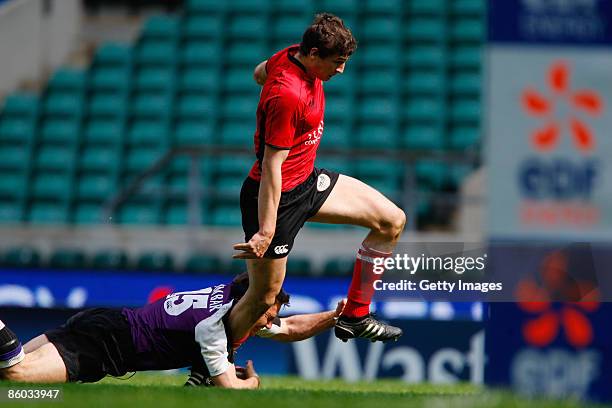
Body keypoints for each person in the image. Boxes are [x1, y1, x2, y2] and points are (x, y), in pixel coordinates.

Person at [231, 13, 406, 345]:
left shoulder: (289, 55)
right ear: (313, 55)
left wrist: (267, 81)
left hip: (307, 182)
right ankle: (210, 368)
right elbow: (271, 167)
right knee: (262, 299)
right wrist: (266, 230)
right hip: (275, 197)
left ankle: (355, 315)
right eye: (337, 62)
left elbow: (258, 72)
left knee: (391, 221)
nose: (341, 70)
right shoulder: (288, 95)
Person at [0, 273, 344, 388]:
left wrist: (334, 316)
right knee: (17, 374)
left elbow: (290, 326)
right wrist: (251, 382)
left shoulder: (230, 302)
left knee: (5, 379)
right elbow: (229, 389)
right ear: (250, 304)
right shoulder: (215, 327)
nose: (270, 323)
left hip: (107, 322)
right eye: (267, 314)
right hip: (110, 346)